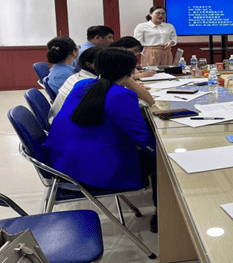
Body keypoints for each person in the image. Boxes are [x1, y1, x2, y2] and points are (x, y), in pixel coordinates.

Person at [44, 48, 157, 231]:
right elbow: (142, 136)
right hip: (94, 169)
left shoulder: (83, 84)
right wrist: (160, 152)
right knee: (162, 162)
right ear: (130, 71)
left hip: (63, 162)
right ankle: (160, 215)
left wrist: (125, 77)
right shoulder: (120, 95)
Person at [48, 46, 103, 121]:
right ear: (89, 64)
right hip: (65, 122)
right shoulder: (89, 83)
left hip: (58, 119)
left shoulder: (75, 76)